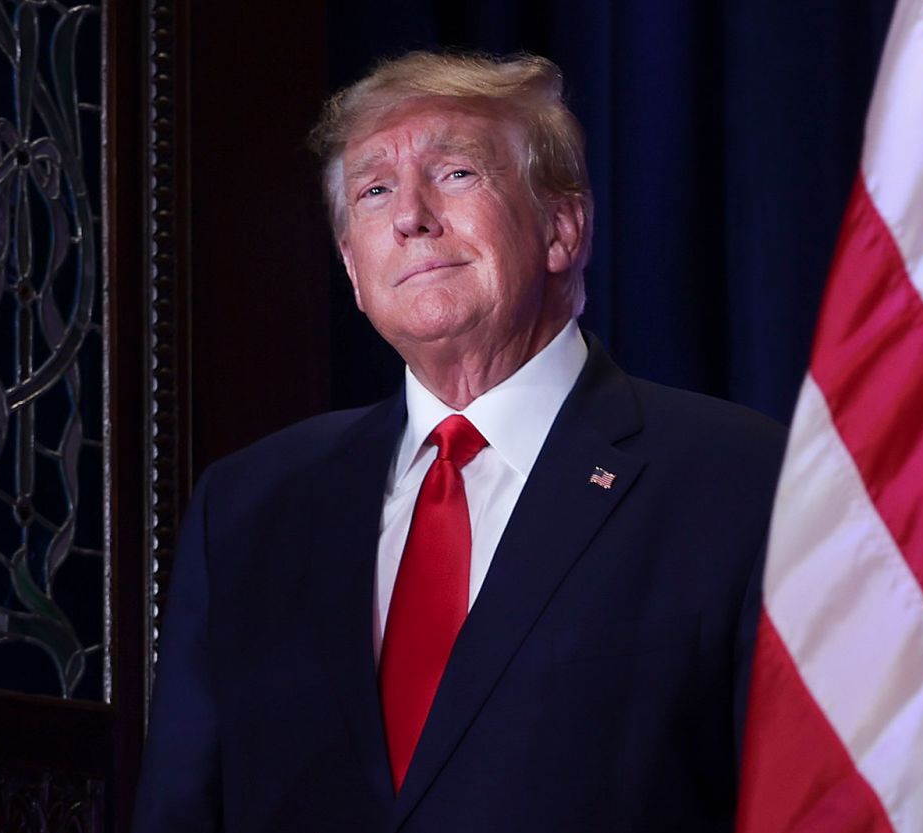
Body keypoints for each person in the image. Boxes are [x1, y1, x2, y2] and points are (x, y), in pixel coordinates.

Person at [132, 51, 786, 832]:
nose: (409, 214)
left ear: (561, 227)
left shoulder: (742, 481)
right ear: (352, 267)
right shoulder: (245, 507)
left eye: (456, 173)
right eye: (375, 191)